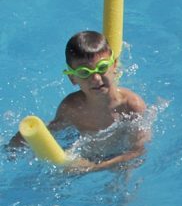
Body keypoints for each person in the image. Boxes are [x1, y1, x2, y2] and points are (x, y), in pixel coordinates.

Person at [8, 30, 148, 172]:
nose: (96, 78)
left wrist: (93, 168)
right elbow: (51, 130)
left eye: (102, 68)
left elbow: (137, 152)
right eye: (84, 72)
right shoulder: (72, 107)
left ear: (115, 65)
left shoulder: (131, 106)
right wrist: (13, 146)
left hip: (118, 157)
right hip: (86, 155)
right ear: (72, 78)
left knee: (125, 178)